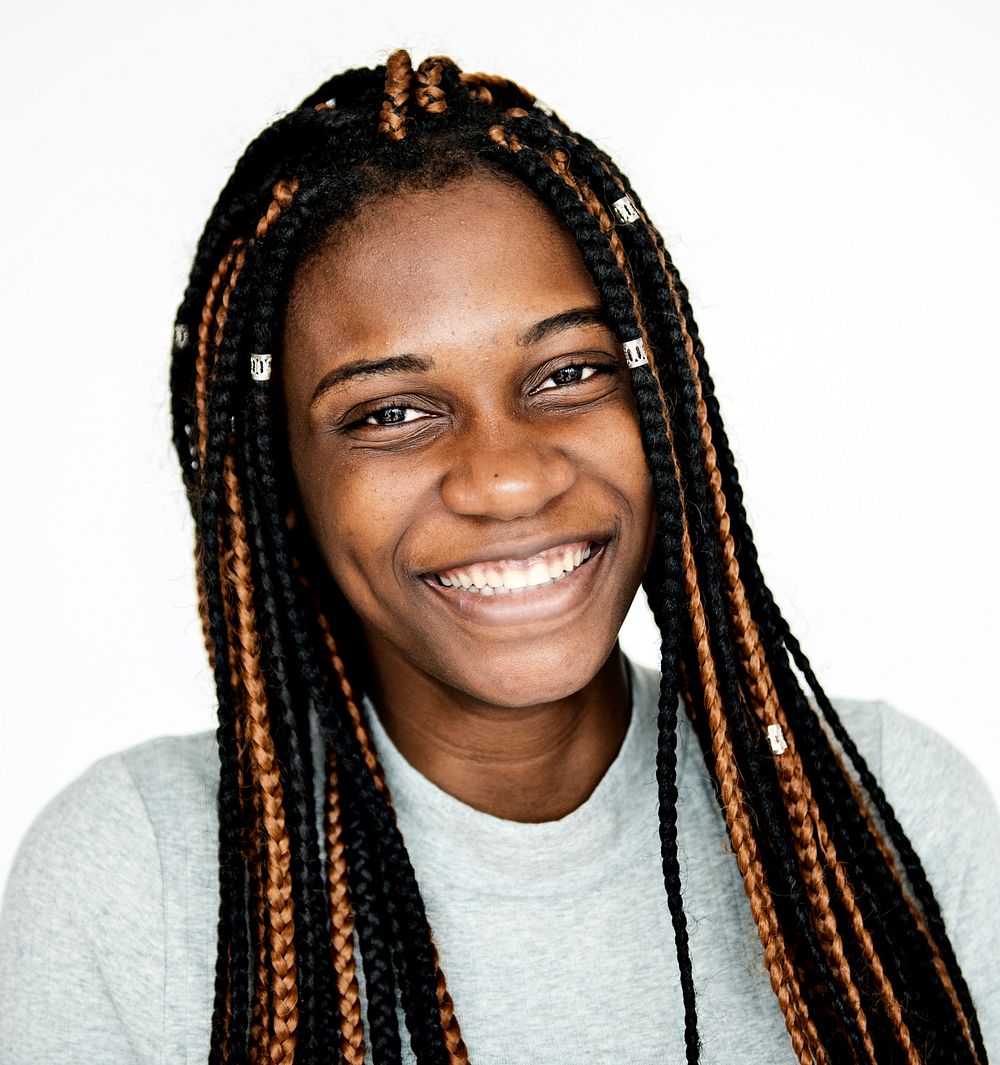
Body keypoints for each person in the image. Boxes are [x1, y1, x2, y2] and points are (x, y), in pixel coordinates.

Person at [1, 48, 997, 1065]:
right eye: (390, 412)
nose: (508, 478)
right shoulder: (138, 873)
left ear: (665, 408)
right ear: (280, 485)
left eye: (568, 373)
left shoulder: (891, 811)